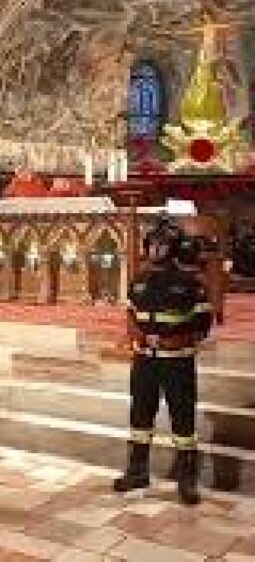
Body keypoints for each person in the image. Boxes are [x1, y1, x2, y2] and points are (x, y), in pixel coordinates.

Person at [114, 216, 213, 506]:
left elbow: (202, 325)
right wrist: (136, 334)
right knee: (140, 417)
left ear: (173, 247)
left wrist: (179, 340)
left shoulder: (190, 283)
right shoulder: (139, 281)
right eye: (153, 244)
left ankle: (186, 480)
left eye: (163, 245)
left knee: (183, 420)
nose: (156, 250)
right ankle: (137, 472)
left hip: (177, 363)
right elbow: (131, 313)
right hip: (145, 361)